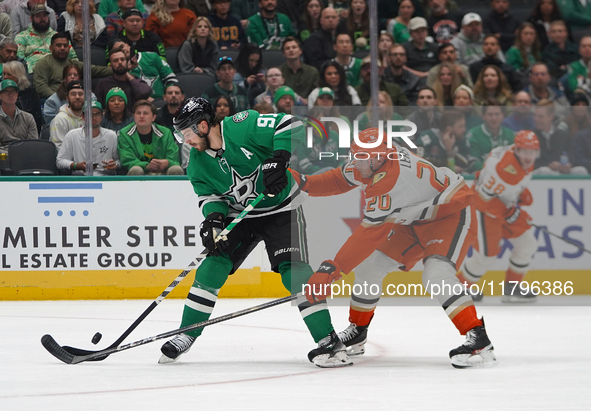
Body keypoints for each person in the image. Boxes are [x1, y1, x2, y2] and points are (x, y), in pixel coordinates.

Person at [159, 96, 352, 368]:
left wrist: (279, 159)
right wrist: (213, 219)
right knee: (211, 265)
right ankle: (185, 335)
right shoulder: (197, 163)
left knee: (294, 271)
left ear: (203, 126)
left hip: (282, 207)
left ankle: (329, 343)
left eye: (187, 133)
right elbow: (209, 195)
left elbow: (291, 124)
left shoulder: (242, 125)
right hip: (241, 214)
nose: (185, 141)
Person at [295, 127, 496, 368]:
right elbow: (339, 179)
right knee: (369, 268)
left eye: (359, 158)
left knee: (436, 275)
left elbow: (369, 235)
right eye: (353, 154)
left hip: (450, 215)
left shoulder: (390, 183)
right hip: (414, 215)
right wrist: (303, 183)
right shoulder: (371, 161)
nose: (353, 162)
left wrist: (332, 268)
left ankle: (478, 337)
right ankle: (358, 331)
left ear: (378, 158)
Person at [456, 131, 541, 303]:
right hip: (482, 211)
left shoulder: (516, 156)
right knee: (486, 258)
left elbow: (504, 186)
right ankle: (457, 289)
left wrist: (520, 192)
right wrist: (511, 213)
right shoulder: (503, 169)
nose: (529, 156)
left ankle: (513, 287)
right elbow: (483, 199)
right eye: (525, 151)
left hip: (502, 207)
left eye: (532, 151)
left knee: (527, 244)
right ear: (516, 149)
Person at [33, 32, 111, 99]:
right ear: (51, 48)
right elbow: (41, 87)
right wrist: (58, 99)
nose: (62, 48)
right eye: (59, 45)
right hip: (53, 100)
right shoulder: (43, 63)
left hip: (75, 99)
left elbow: (97, 70)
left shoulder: (73, 64)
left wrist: (120, 69)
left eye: (65, 45)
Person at [118, 99, 183, 175]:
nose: (141, 116)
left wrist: (167, 162)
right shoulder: (125, 133)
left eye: (145, 113)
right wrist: (146, 166)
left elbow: (173, 157)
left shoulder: (166, 132)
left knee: (176, 169)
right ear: (134, 116)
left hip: (162, 171)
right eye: (138, 113)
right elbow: (127, 160)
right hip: (141, 170)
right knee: (136, 169)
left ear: (153, 117)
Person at [56, 101, 120, 176]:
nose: (94, 118)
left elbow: (119, 160)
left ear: (102, 117)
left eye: (97, 114)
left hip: (105, 178)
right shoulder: (72, 135)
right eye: (89, 114)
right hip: (80, 177)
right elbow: (60, 161)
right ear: (83, 117)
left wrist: (115, 164)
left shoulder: (111, 135)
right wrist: (76, 165)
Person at [15, 4, 76, 74]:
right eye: (38, 16)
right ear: (31, 19)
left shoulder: (59, 37)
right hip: (33, 73)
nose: (42, 19)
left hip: (58, 72)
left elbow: (73, 58)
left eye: (44, 15)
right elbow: (19, 61)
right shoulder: (22, 37)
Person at [532, 99, 587, 175]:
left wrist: (568, 164)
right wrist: (549, 165)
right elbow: (529, 161)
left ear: (550, 117)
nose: (536, 119)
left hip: (561, 171)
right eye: (535, 116)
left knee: (581, 171)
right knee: (544, 171)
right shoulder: (531, 136)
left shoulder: (563, 135)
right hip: (542, 171)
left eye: (540, 117)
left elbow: (571, 155)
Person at [111, 38, 178, 99]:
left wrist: (169, 96)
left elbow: (170, 78)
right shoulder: (120, 71)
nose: (123, 50)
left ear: (127, 45)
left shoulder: (152, 56)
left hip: (163, 100)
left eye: (122, 46)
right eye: (118, 50)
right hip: (139, 103)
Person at [415, 108, 472, 173]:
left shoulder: (461, 141)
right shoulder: (427, 137)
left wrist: (450, 151)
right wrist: (446, 166)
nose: (464, 129)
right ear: (449, 128)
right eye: (461, 126)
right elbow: (419, 161)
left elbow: (464, 164)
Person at [466, 100, 515, 171]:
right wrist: (490, 171)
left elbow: (515, 160)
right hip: (481, 177)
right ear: (483, 116)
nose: (494, 118)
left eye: (497, 114)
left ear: (503, 116)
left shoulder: (510, 135)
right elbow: (473, 161)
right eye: (490, 114)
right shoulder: (473, 135)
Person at [1, 60, 43, 133]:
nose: (5, 77)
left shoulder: (30, 92)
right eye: (4, 74)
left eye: (8, 74)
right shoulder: (1, 91)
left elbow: (36, 117)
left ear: (18, 76)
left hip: (27, 130)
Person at [0, 79, 38, 154]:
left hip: (25, 158)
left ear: (17, 95)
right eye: (6, 92)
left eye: (13, 92)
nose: (10, 95)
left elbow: (33, 144)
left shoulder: (28, 117)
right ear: (0, 95)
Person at [50, 80, 84, 148]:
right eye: (73, 94)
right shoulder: (59, 120)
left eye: (80, 94)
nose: (77, 97)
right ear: (67, 98)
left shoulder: (91, 118)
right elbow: (59, 148)